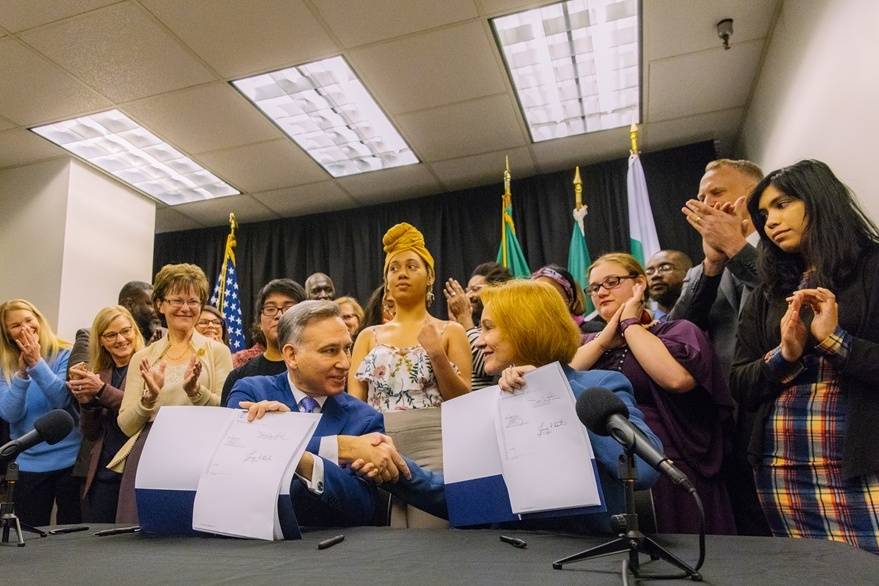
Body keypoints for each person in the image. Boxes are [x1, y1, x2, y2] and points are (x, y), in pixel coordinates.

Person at [355, 280, 662, 534]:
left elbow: (645, 470)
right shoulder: (488, 405)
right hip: (506, 562)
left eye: (488, 328)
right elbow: (465, 497)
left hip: (592, 559)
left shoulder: (602, 386)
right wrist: (397, 471)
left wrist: (553, 389)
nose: (478, 341)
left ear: (525, 329)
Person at [732, 160, 879, 554]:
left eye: (782, 205)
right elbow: (740, 384)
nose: (770, 222)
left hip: (863, 468)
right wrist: (785, 355)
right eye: (763, 215)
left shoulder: (873, 266)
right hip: (783, 472)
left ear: (819, 199)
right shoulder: (769, 291)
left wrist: (835, 342)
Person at [572, 253, 736, 534]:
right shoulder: (589, 343)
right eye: (594, 287)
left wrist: (630, 324)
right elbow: (566, 378)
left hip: (673, 467)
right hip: (613, 470)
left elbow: (676, 380)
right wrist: (605, 338)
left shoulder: (677, 330)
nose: (601, 292)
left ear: (640, 284)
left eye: (612, 282)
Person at [349, 222, 471, 526]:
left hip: (435, 446)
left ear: (429, 276)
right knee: (383, 543)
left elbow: (463, 401)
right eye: (394, 268)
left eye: (411, 266)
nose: (401, 273)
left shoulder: (450, 331)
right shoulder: (368, 336)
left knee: (432, 538)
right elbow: (354, 404)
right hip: (379, 446)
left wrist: (436, 354)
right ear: (386, 280)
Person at [672, 158, 770, 536]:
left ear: (752, 198)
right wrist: (712, 265)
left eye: (717, 193)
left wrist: (737, 247)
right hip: (725, 428)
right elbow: (679, 333)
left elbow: (780, 306)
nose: (706, 203)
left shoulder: (784, 250)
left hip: (774, 415)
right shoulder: (700, 272)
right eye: (700, 196)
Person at [226, 301, 384, 526]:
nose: (345, 363)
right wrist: (337, 449)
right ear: (291, 355)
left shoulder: (365, 420)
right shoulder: (251, 392)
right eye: (330, 351)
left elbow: (363, 506)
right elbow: (232, 466)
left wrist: (298, 455)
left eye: (347, 348)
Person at [113, 263, 232, 523]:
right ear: (160, 304)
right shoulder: (142, 358)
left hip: (201, 451)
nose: (186, 308)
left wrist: (196, 392)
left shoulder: (218, 352)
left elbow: (228, 411)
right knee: (140, 529)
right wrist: (148, 400)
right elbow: (125, 425)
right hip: (149, 450)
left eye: (193, 301)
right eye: (177, 300)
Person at [0, 299, 81, 527]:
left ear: (38, 319)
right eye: (15, 325)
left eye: (28, 320)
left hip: (70, 461)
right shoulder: (4, 366)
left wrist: (37, 363)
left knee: (71, 532)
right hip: (29, 465)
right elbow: (10, 414)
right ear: (7, 333)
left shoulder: (65, 353)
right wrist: (22, 375)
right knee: (32, 532)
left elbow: (62, 400)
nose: (25, 328)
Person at [69, 305, 144, 522]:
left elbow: (139, 410)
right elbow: (91, 434)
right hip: (102, 474)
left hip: (135, 471)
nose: (120, 340)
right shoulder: (99, 373)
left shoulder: (149, 366)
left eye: (125, 331)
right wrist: (87, 403)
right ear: (100, 340)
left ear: (135, 331)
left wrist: (101, 390)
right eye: (111, 335)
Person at [221, 279, 306, 406]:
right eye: (270, 309)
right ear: (260, 322)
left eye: (288, 308)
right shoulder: (239, 376)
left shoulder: (314, 371)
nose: (279, 315)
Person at [444, 261, 512, 390]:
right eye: (467, 291)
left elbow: (486, 368)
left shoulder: (505, 325)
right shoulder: (472, 329)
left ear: (496, 289)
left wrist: (464, 319)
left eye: (475, 289)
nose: (468, 296)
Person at [531, 264, 588, 330]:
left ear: (570, 300)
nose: (541, 300)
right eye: (536, 293)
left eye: (550, 293)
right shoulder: (529, 336)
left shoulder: (595, 334)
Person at [645, 250, 692, 319]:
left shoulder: (708, 318)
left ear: (688, 273)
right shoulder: (641, 325)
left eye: (665, 268)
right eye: (649, 271)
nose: (655, 275)